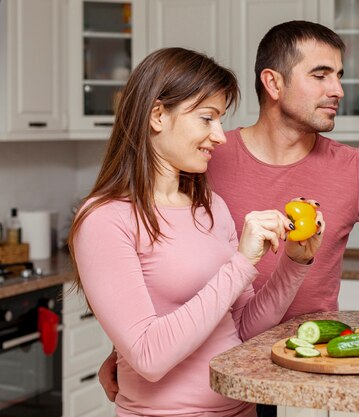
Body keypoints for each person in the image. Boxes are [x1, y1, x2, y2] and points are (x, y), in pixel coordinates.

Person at [97, 21, 359, 415]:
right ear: (274, 83)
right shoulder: (204, 154)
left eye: (339, 76)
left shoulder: (355, 169)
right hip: (225, 374)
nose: (339, 89)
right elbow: (151, 258)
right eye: (321, 74)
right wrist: (133, 349)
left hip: (312, 371)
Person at [68, 47, 324, 417]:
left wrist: (295, 262)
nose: (219, 136)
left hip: (242, 409)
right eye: (207, 118)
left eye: (220, 119)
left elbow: (243, 330)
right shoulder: (105, 220)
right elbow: (148, 355)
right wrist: (241, 263)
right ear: (157, 115)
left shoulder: (210, 207)